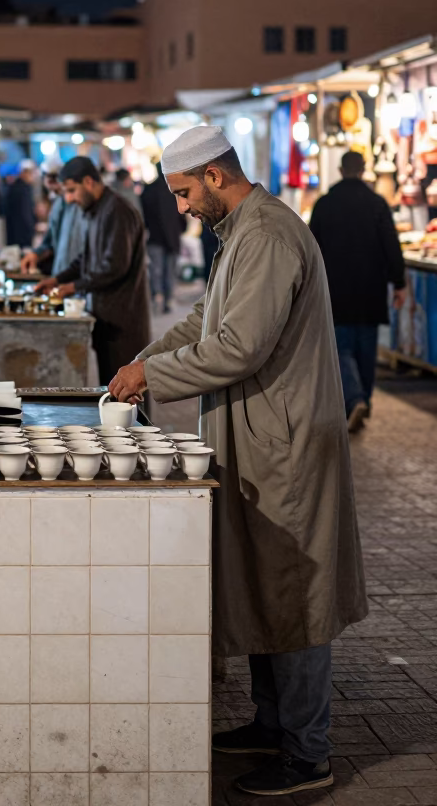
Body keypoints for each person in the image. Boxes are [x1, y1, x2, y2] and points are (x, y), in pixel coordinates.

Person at [108, 125, 366, 798]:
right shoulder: (241, 234)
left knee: (296, 590)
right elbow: (205, 322)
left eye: (186, 193)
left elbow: (241, 348)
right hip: (257, 436)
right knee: (260, 578)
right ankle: (271, 722)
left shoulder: (271, 236)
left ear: (216, 176)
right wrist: (144, 360)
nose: (183, 207)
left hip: (287, 443)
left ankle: (308, 754)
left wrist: (153, 380)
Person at [310, 149, 406, 432]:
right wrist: (398, 282)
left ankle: (354, 399)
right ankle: (363, 399)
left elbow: (311, 249)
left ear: (340, 170)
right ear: (363, 170)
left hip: (336, 290)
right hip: (371, 290)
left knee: (342, 349)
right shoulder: (377, 203)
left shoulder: (325, 204)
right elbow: (392, 244)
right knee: (366, 349)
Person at [37, 157, 150, 384]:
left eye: (71, 191)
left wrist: (72, 287)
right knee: (111, 393)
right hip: (105, 318)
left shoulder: (117, 211)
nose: (68, 199)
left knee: (127, 401)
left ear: (88, 182)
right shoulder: (96, 210)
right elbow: (85, 259)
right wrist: (57, 279)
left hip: (123, 323)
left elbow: (114, 267)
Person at [20, 167, 86, 276]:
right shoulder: (58, 204)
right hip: (61, 273)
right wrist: (36, 254)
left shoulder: (82, 206)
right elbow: (51, 241)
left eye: (56, 190)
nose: (53, 194)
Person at [140, 170, 186, 310]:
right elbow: (182, 214)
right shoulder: (174, 190)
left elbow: (143, 215)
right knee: (169, 270)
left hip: (155, 237)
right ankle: (168, 299)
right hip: (172, 237)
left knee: (156, 270)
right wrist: (181, 229)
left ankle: (157, 296)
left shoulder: (148, 190)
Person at [5, 160, 37, 248]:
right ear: (25, 173)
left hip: (14, 233)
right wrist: (32, 228)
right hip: (22, 233)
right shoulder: (22, 189)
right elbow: (25, 212)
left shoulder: (15, 186)